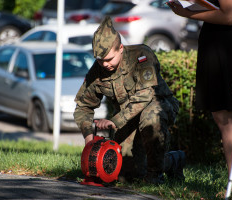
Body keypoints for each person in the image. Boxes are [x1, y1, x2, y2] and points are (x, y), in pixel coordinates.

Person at [74, 16, 185, 184]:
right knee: (127, 173)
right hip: (127, 119)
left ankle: (155, 176)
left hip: (158, 106)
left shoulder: (141, 56)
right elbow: (83, 107)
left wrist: (115, 121)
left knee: (150, 116)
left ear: (120, 48)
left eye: (109, 59)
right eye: (100, 60)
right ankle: (173, 161)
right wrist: (89, 140)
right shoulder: (96, 71)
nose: (105, 65)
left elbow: (146, 94)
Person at [167, 0, 232, 193]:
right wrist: (187, 7)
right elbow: (217, 8)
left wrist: (187, 14)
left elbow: (228, 16)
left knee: (227, 120)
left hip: (224, 49)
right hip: (226, 46)